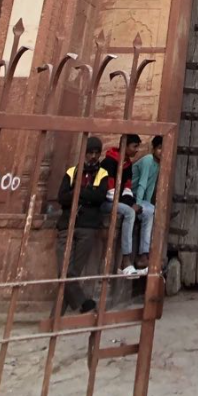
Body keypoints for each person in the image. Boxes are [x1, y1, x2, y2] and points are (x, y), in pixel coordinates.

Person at [56, 136, 107, 314]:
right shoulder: (72, 172)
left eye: (96, 153)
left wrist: (78, 192)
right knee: (65, 270)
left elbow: (100, 197)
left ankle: (56, 315)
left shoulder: (102, 174)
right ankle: (85, 303)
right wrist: (87, 194)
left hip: (88, 226)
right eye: (90, 152)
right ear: (84, 153)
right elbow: (62, 197)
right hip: (67, 225)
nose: (93, 156)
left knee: (71, 272)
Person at [101, 133, 153, 277]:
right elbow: (110, 192)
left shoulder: (127, 164)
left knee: (147, 212)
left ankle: (143, 256)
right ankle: (125, 259)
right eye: (134, 146)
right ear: (124, 146)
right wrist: (131, 206)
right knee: (130, 212)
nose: (137, 150)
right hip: (107, 201)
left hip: (121, 201)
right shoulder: (109, 162)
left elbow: (127, 189)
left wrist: (133, 203)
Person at [131, 135, 163, 270]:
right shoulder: (148, 160)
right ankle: (143, 255)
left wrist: (147, 203)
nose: (162, 151)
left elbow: (150, 187)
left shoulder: (157, 164)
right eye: (160, 148)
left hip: (140, 199)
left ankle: (149, 254)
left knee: (154, 211)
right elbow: (142, 184)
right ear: (154, 149)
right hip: (131, 196)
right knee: (150, 212)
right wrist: (139, 203)